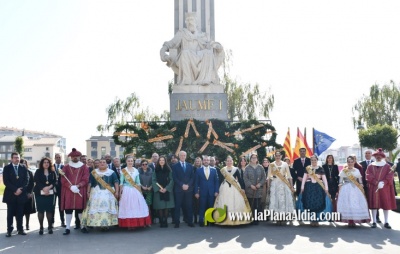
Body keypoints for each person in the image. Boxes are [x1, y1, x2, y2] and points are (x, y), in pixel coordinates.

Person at [160, 12, 225, 86]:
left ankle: (205, 80)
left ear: (196, 22)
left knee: (208, 53)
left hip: (200, 59)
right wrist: (162, 52)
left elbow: (212, 44)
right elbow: (170, 44)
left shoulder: (202, 36)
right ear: (186, 23)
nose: (190, 22)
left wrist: (218, 47)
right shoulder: (182, 34)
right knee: (185, 53)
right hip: (187, 58)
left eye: (192, 19)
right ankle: (187, 80)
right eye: (188, 20)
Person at [81, 158, 119, 232]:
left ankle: (106, 225)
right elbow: (90, 183)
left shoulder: (112, 172)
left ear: (106, 164)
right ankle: (95, 223)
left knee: (109, 209)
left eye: (103, 162)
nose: (102, 163)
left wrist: (117, 191)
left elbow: (116, 182)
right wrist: (88, 192)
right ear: (98, 164)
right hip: (96, 194)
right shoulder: (94, 172)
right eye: (100, 162)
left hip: (109, 194)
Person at [60, 148, 89, 235]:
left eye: (76, 156)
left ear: (79, 157)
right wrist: (70, 186)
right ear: (70, 157)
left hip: (80, 189)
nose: (75, 158)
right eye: (73, 156)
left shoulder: (84, 167)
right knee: (68, 209)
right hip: (68, 191)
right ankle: (68, 228)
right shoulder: (66, 167)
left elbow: (86, 178)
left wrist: (78, 185)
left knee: (80, 209)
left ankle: (82, 226)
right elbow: (63, 179)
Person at [215, 156, 251, 226]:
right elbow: (219, 180)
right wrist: (218, 190)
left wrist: (243, 188)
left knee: (236, 202)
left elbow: (240, 179)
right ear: (226, 162)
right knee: (225, 202)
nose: (229, 162)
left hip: (235, 188)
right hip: (224, 188)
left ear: (232, 161)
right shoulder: (223, 170)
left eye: (230, 161)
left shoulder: (236, 169)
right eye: (228, 161)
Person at [366, 148, 397, 229]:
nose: (378, 157)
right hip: (373, 187)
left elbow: (390, 175)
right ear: (375, 156)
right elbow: (368, 175)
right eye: (377, 155)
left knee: (385, 204)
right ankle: (374, 221)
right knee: (374, 205)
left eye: (380, 155)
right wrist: (376, 182)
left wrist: (384, 182)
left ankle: (386, 222)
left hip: (385, 188)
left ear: (382, 156)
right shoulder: (370, 166)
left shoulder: (387, 166)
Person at [118, 156, 151, 229]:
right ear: (126, 162)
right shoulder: (123, 170)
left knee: (137, 205)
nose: (130, 162)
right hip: (126, 190)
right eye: (129, 161)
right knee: (128, 206)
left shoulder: (136, 170)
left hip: (135, 190)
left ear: (133, 162)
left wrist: (140, 191)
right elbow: (121, 182)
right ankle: (129, 225)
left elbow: (138, 182)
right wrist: (120, 192)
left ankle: (138, 223)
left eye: (131, 161)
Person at [337, 156, 370, 227]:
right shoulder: (343, 171)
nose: (350, 163)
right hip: (345, 189)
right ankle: (349, 221)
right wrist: (340, 189)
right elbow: (340, 181)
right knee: (347, 203)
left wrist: (361, 188)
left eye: (351, 162)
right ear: (347, 162)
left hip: (355, 189)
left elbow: (360, 181)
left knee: (354, 203)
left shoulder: (357, 170)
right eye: (349, 162)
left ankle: (354, 220)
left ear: (354, 162)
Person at [300, 154, 331, 227]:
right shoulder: (308, 168)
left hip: (318, 187)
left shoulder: (320, 168)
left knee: (318, 203)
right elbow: (304, 178)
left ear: (317, 161)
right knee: (310, 203)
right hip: (309, 187)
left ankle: (316, 220)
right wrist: (302, 187)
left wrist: (326, 188)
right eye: (312, 160)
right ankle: (312, 219)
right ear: (310, 161)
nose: (313, 161)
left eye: (315, 160)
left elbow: (324, 179)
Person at [3, 152, 29, 237]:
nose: (17, 159)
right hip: (11, 194)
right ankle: (9, 230)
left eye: (18, 157)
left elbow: (27, 180)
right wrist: (15, 189)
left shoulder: (23, 167)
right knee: (10, 213)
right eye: (15, 157)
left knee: (20, 213)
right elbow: (6, 181)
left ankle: (20, 229)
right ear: (11, 159)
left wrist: (21, 189)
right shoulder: (7, 168)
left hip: (21, 194)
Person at [267, 152, 295, 225]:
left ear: (281, 156)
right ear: (274, 156)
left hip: (284, 183)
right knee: (275, 200)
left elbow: (289, 176)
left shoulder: (285, 164)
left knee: (283, 201)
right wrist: (268, 186)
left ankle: (283, 217)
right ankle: (277, 218)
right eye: (276, 156)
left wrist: (291, 186)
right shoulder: (271, 164)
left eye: (279, 155)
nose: (278, 157)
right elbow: (269, 177)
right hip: (275, 183)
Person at [34, 157, 57, 235]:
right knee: (41, 211)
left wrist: (49, 187)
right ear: (42, 163)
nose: (46, 163)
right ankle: (41, 227)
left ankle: (50, 227)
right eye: (44, 162)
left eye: (47, 162)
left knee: (49, 210)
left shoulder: (52, 171)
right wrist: (43, 188)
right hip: (39, 193)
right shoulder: (38, 171)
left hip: (50, 194)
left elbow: (55, 181)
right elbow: (36, 181)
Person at [194, 156, 219, 227]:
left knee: (211, 207)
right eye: (205, 160)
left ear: (209, 161)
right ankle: (201, 221)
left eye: (207, 160)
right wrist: (196, 192)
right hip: (202, 192)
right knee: (202, 207)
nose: (206, 161)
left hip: (212, 192)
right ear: (203, 161)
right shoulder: (199, 170)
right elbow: (196, 182)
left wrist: (216, 191)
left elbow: (216, 181)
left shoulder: (214, 170)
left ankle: (210, 220)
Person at [172, 150, 195, 228]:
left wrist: (188, 185)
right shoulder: (175, 166)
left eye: (184, 155)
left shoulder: (190, 166)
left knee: (189, 206)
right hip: (179, 189)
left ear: (186, 156)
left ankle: (190, 221)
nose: (183, 157)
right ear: (179, 156)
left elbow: (192, 177)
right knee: (177, 206)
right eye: (181, 155)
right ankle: (177, 222)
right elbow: (174, 178)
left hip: (189, 189)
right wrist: (182, 185)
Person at [243, 153, 266, 225]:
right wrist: (250, 185)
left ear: (257, 159)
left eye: (255, 157)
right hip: (250, 190)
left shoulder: (260, 167)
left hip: (258, 189)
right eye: (252, 158)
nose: (254, 159)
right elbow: (245, 178)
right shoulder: (247, 167)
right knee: (251, 204)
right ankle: (251, 218)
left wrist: (260, 184)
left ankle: (257, 219)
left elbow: (264, 178)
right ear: (250, 159)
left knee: (258, 204)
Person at [152, 156, 175, 228]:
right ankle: (161, 221)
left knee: (166, 207)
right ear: (158, 162)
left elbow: (171, 180)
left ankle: (165, 221)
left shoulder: (169, 170)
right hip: (159, 191)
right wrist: (159, 189)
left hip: (167, 191)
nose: (161, 161)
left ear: (165, 161)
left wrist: (166, 188)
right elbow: (153, 180)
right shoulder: (155, 170)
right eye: (160, 160)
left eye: (163, 160)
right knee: (160, 207)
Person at [20, 159, 36, 231]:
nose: (23, 164)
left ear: (27, 165)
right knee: (20, 211)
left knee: (27, 211)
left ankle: (27, 224)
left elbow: (32, 183)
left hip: (28, 194)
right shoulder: (18, 173)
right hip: (20, 194)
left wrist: (30, 193)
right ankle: (20, 225)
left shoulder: (30, 172)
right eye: (22, 163)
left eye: (25, 163)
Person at [53, 153, 65, 227]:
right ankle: (52, 222)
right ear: (55, 158)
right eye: (56, 157)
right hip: (53, 188)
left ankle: (62, 221)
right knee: (52, 206)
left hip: (61, 188)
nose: (58, 158)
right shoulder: (51, 167)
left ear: (61, 158)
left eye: (59, 157)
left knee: (61, 206)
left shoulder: (64, 167)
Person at [192, 157, 202, 224]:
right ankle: (195, 218)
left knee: (201, 204)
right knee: (195, 205)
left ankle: (201, 218)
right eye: (196, 161)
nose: (197, 162)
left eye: (199, 161)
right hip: (194, 188)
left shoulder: (203, 169)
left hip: (202, 189)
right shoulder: (192, 169)